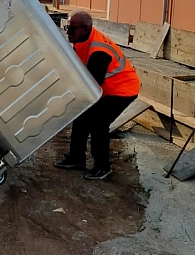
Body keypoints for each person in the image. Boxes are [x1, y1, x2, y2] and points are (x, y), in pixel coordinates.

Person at [55, 11, 140, 180]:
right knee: (81, 116)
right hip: (106, 88)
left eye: (71, 28)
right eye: (67, 27)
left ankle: (103, 166)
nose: (68, 32)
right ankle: (77, 158)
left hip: (122, 90)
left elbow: (92, 86)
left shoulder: (99, 51)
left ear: (85, 28)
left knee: (98, 124)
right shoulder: (81, 39)